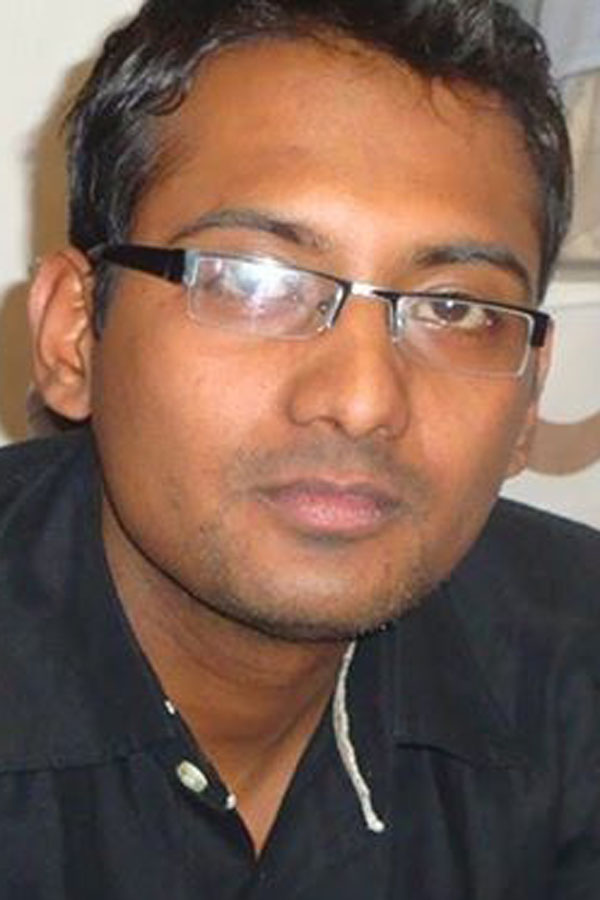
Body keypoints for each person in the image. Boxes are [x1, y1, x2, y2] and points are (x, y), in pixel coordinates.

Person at [3, 0, 599, 896]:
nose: (362, 402)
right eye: (253, 280)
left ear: (527, 401)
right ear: (74, 335)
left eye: (455, 307)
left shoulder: (576, 657)